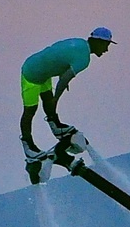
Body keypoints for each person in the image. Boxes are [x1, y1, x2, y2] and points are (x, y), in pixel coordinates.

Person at [20, 27, 115, 183]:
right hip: (31, 73)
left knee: (47, 101)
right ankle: (29, 146)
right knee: (30, 110)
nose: (106, 50)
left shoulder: (79, 43)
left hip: (42, 72)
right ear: (98, 42)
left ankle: (56, 126)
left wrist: (53, 99)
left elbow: (57, 54)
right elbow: (65, 79)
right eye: (106, 45)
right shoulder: (84, 59)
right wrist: (55, 100)